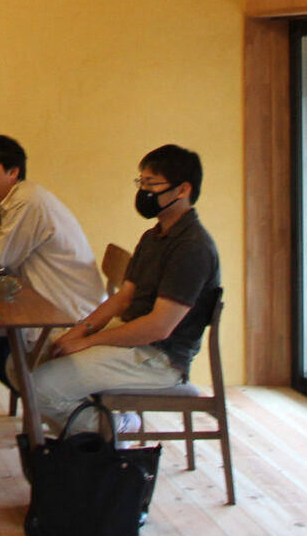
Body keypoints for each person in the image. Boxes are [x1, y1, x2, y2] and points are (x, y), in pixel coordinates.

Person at [25, 143, 220, 435]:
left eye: (152, 184)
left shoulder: (192, 247)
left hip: (158, 359)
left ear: (183, 190)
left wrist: (90, 342)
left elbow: (159, 327)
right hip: (131, 339)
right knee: (22, 361)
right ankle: (83, 441)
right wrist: (80, 331)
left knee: (40, 386)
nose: (144, 191)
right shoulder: (154, 236)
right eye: (142, 182)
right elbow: (124, 298)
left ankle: (116, 429)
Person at [0, 133, 101, 385]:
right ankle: (30, 393)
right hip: (37, 305)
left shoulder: (28, 201)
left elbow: (2, 256)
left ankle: (34, 394)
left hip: (67, 315)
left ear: (13, 172)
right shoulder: (2, 204)